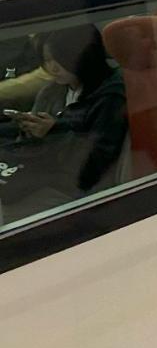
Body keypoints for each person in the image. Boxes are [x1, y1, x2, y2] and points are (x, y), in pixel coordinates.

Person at [4, 24, 130, 212]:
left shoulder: (111, 97)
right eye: (47, 60)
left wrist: (55, 132)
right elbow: (29, 148)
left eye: (60, 58)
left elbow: (96, 161)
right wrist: (31, 131)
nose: (52, 67)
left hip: (81, 188)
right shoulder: (51, 92)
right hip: (45, 175)